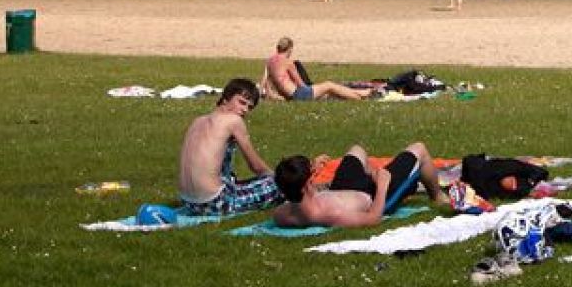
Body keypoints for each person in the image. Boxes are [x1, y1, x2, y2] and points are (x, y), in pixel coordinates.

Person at [272, 142, 447, 229]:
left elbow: (303, 191)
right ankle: (436, 195)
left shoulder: (282, 213)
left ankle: (372, 173)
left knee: (356, 150)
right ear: (307, 185)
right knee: (420, 149)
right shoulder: (332, 214)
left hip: (342, 188)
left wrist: (310, 173)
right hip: (374, 195)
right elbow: (373, 219)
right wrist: (382, 185)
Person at [177, 79, 282, 217]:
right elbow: (256, 167)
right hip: (214, 203)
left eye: (249, 107)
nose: (245, 109)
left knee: (235, 179)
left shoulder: (198, 121)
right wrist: (278, 178)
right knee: (281, 185)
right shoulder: (233, 121)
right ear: (226, 98)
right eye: (242, 102)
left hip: (187, 201)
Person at [264, 37, 370, 101]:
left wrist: (274, 96)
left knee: (327, 92)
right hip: (298, 94)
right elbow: (300, 83)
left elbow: (266, 82)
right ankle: (359, 97)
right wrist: (313, 89)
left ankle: (360, 93)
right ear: (290, 48)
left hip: (289, 96)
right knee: (329, 85)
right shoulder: (288, 62)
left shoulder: (270, 61)